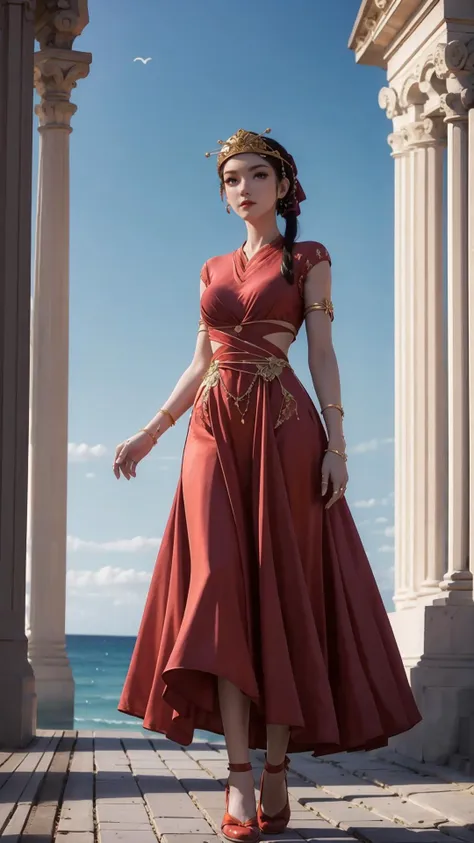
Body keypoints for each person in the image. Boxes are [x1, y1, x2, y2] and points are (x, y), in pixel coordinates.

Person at [113, 128, 421, 842]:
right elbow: (199, 361)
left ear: (282, 186)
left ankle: (275, 768)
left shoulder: (307, 259)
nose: (243, 187)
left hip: (284, 428)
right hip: (212, 433)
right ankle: (239, 774)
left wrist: (337, 444)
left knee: (281, 592)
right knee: (218, 587)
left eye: (256, 175)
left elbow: (322, 352)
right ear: (223, 195)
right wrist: (151, 430)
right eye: (230, 179)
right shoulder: (211, 268)